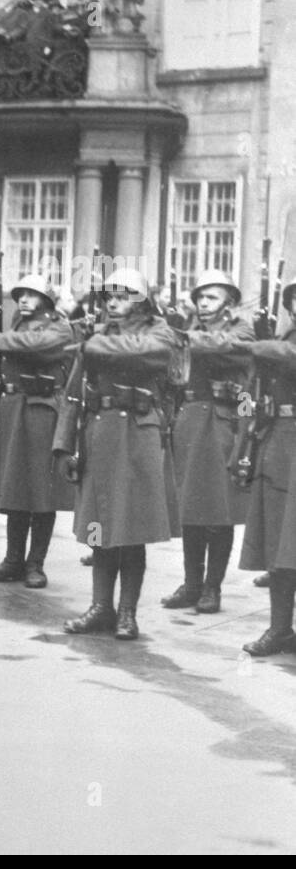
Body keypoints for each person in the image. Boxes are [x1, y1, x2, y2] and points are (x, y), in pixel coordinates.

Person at [53, 268, 181, 641]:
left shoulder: (158, 330)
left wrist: (93, 344)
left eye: (123, 295)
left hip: (138, 434)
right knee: (98, 527)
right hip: (99, 434)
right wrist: (64, 443)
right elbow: (74, 392)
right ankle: (100, 607)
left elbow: (154, 353)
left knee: (131, 527)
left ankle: (127, 612)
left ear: (141, 300)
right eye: (108, 295)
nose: (113, 302)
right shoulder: (97, 334)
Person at [162, 269, 254, 614]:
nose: (203, 303)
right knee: (190, 509)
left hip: (222, 423)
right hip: (190, 420)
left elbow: (229, 347)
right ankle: (191, 583)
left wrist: (182, 337)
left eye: (212, 297)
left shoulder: (240, 328)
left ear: (229, 303)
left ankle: (212, 588)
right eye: (200, 297)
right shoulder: (190, 329)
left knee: (219, 510)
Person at [0, 274, 75, 589]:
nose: (22, 299)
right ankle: (12, 560)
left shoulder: (59, 326)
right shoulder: (17, 323)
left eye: (31, 295)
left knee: (41, 491)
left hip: (41, 410)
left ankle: (36, 563)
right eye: (20, 294)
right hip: (14, 407)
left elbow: (40, 346)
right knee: (15, 488)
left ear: (46, 300)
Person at [237, 279, 296, 655]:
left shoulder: (281, 345)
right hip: (280, 440)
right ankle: (280, 628)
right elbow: (252, 393)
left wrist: (257, 344)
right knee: (279, 540)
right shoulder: (281, 338)